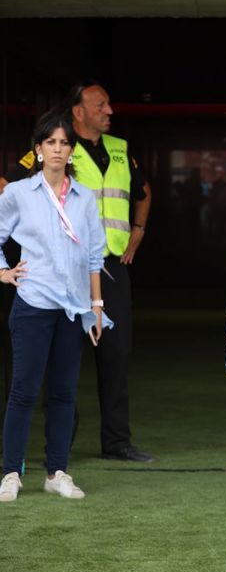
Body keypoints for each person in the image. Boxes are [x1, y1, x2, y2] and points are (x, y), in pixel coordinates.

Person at [1, 80, 154, 463]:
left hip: (108, 265)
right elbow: (10, 184)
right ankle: (59, 447)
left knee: (115, 354)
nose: (109, 111)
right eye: (100, 105)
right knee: (53, 363)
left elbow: (143, 191)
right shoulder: (54, 147)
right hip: (58, 272)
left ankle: (116, 441)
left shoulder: (120, 149)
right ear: (78, 111)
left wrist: (138, 230)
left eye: (108, 104)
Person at [0, 112, 111, 503]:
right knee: (23, 392)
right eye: (51, 143)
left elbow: (95, 256)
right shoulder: (18, 193)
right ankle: (11, 473)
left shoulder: (85, 198)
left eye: (64, 143)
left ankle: (56, 472)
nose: (58, 149)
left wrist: (97, 306)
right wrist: (3, 271)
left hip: (73, 308)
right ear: (38, 149)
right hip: (32, 303)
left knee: (64, 394)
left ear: (71, 150)